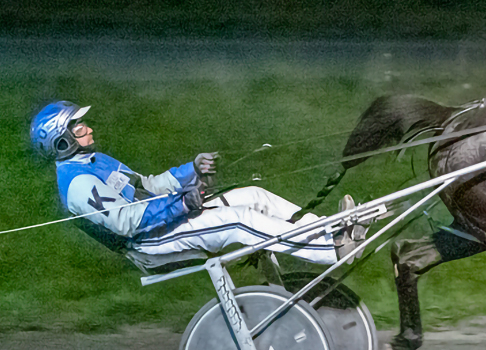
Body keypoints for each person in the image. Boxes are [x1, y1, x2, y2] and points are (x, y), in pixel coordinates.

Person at [29, 100, 363, 268]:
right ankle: (330, 252)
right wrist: (184, 203)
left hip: (163, 225)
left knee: (253, 195)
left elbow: (148, 185)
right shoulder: (77, 184)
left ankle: (330, 231)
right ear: (61, 141)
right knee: (237, 220)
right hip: (148, 244)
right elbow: (126, 222)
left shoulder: (95, 160)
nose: (87, 128)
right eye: (77, 126)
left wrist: (191, 169)